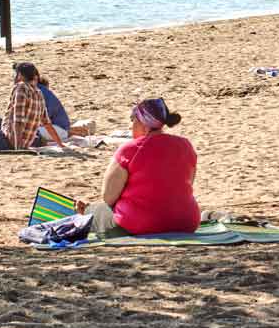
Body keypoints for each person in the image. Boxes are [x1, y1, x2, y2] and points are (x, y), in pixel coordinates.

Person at [75, 98, 199, 236]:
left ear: (143, 124)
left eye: (132, 119)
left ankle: (86, 211)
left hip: (139, 224)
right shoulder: (185, 145)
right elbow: (187, 185)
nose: (130, 125)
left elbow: (108, 197)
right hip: (185, 222)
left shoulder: (130, 149)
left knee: (96, 212)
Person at [0, 62, 64, 150]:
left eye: (16, 74)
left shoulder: (21, 88)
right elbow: (47, 123)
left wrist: (17, 148)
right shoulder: (39, 93)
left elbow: (18, 121)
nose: (15, 77)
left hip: (7, 142)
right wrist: (60, 144)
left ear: (20, 75)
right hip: (13, 136)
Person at [36, 72, 71, 143]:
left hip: (58, 130)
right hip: (59, 129)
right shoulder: (45, 93)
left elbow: (44, 120)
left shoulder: (42, 93)